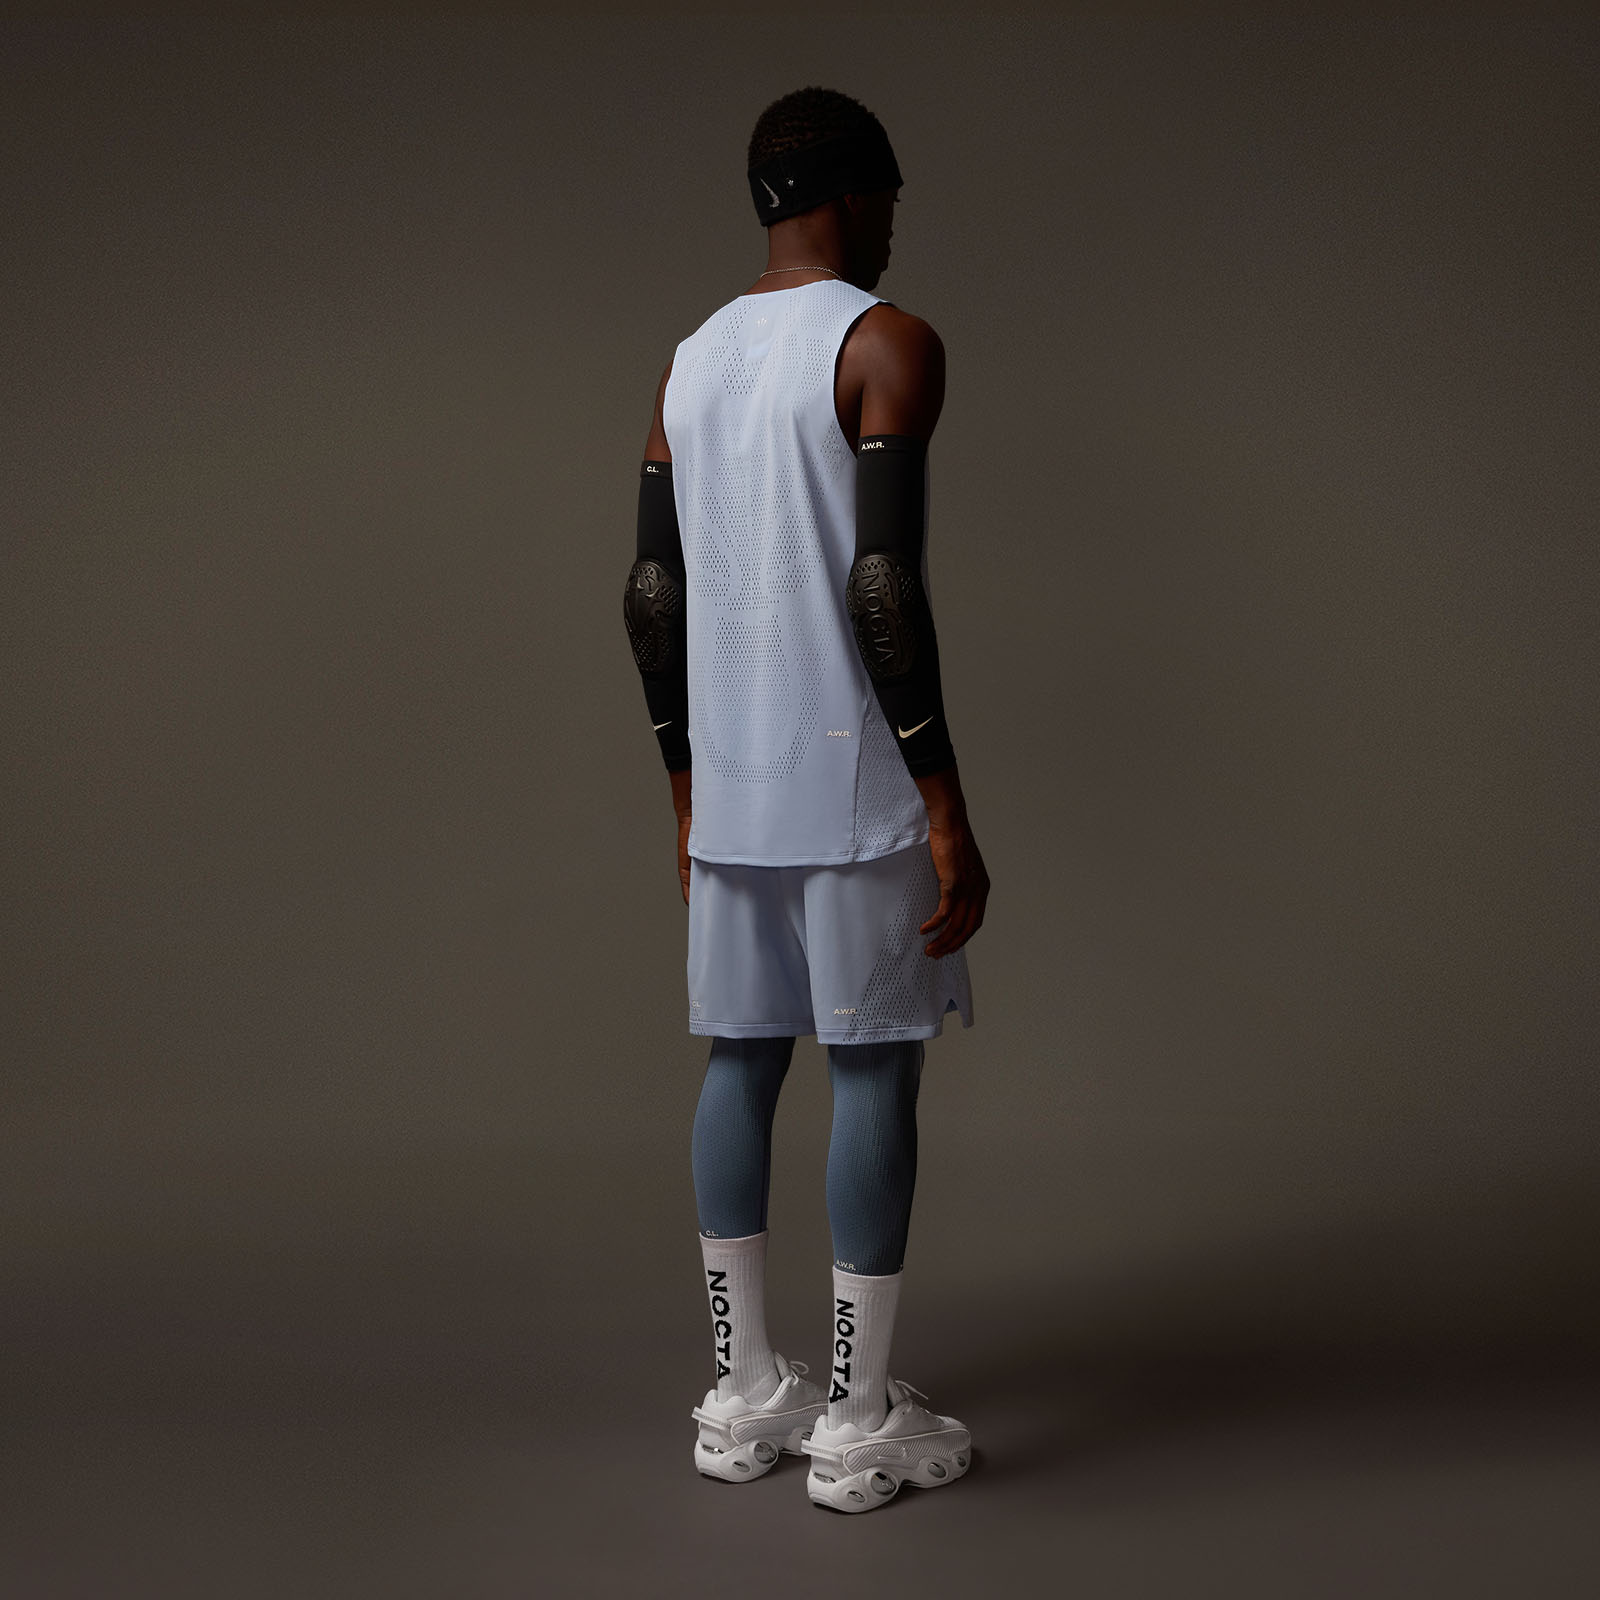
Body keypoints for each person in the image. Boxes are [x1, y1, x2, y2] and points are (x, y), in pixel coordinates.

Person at [623, 85, 990, 1514]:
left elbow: (653, 592)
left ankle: (740, 1394)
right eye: (887, 195)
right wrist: (943, 801)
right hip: (852, 784)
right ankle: (855, 1419)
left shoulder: (687, 362)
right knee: (874, 1072)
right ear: (846, 191)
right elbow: (881, 584)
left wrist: (684, 784)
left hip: (734, 784)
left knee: (740, 1062)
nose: (894, 223)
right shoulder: (885, 342)